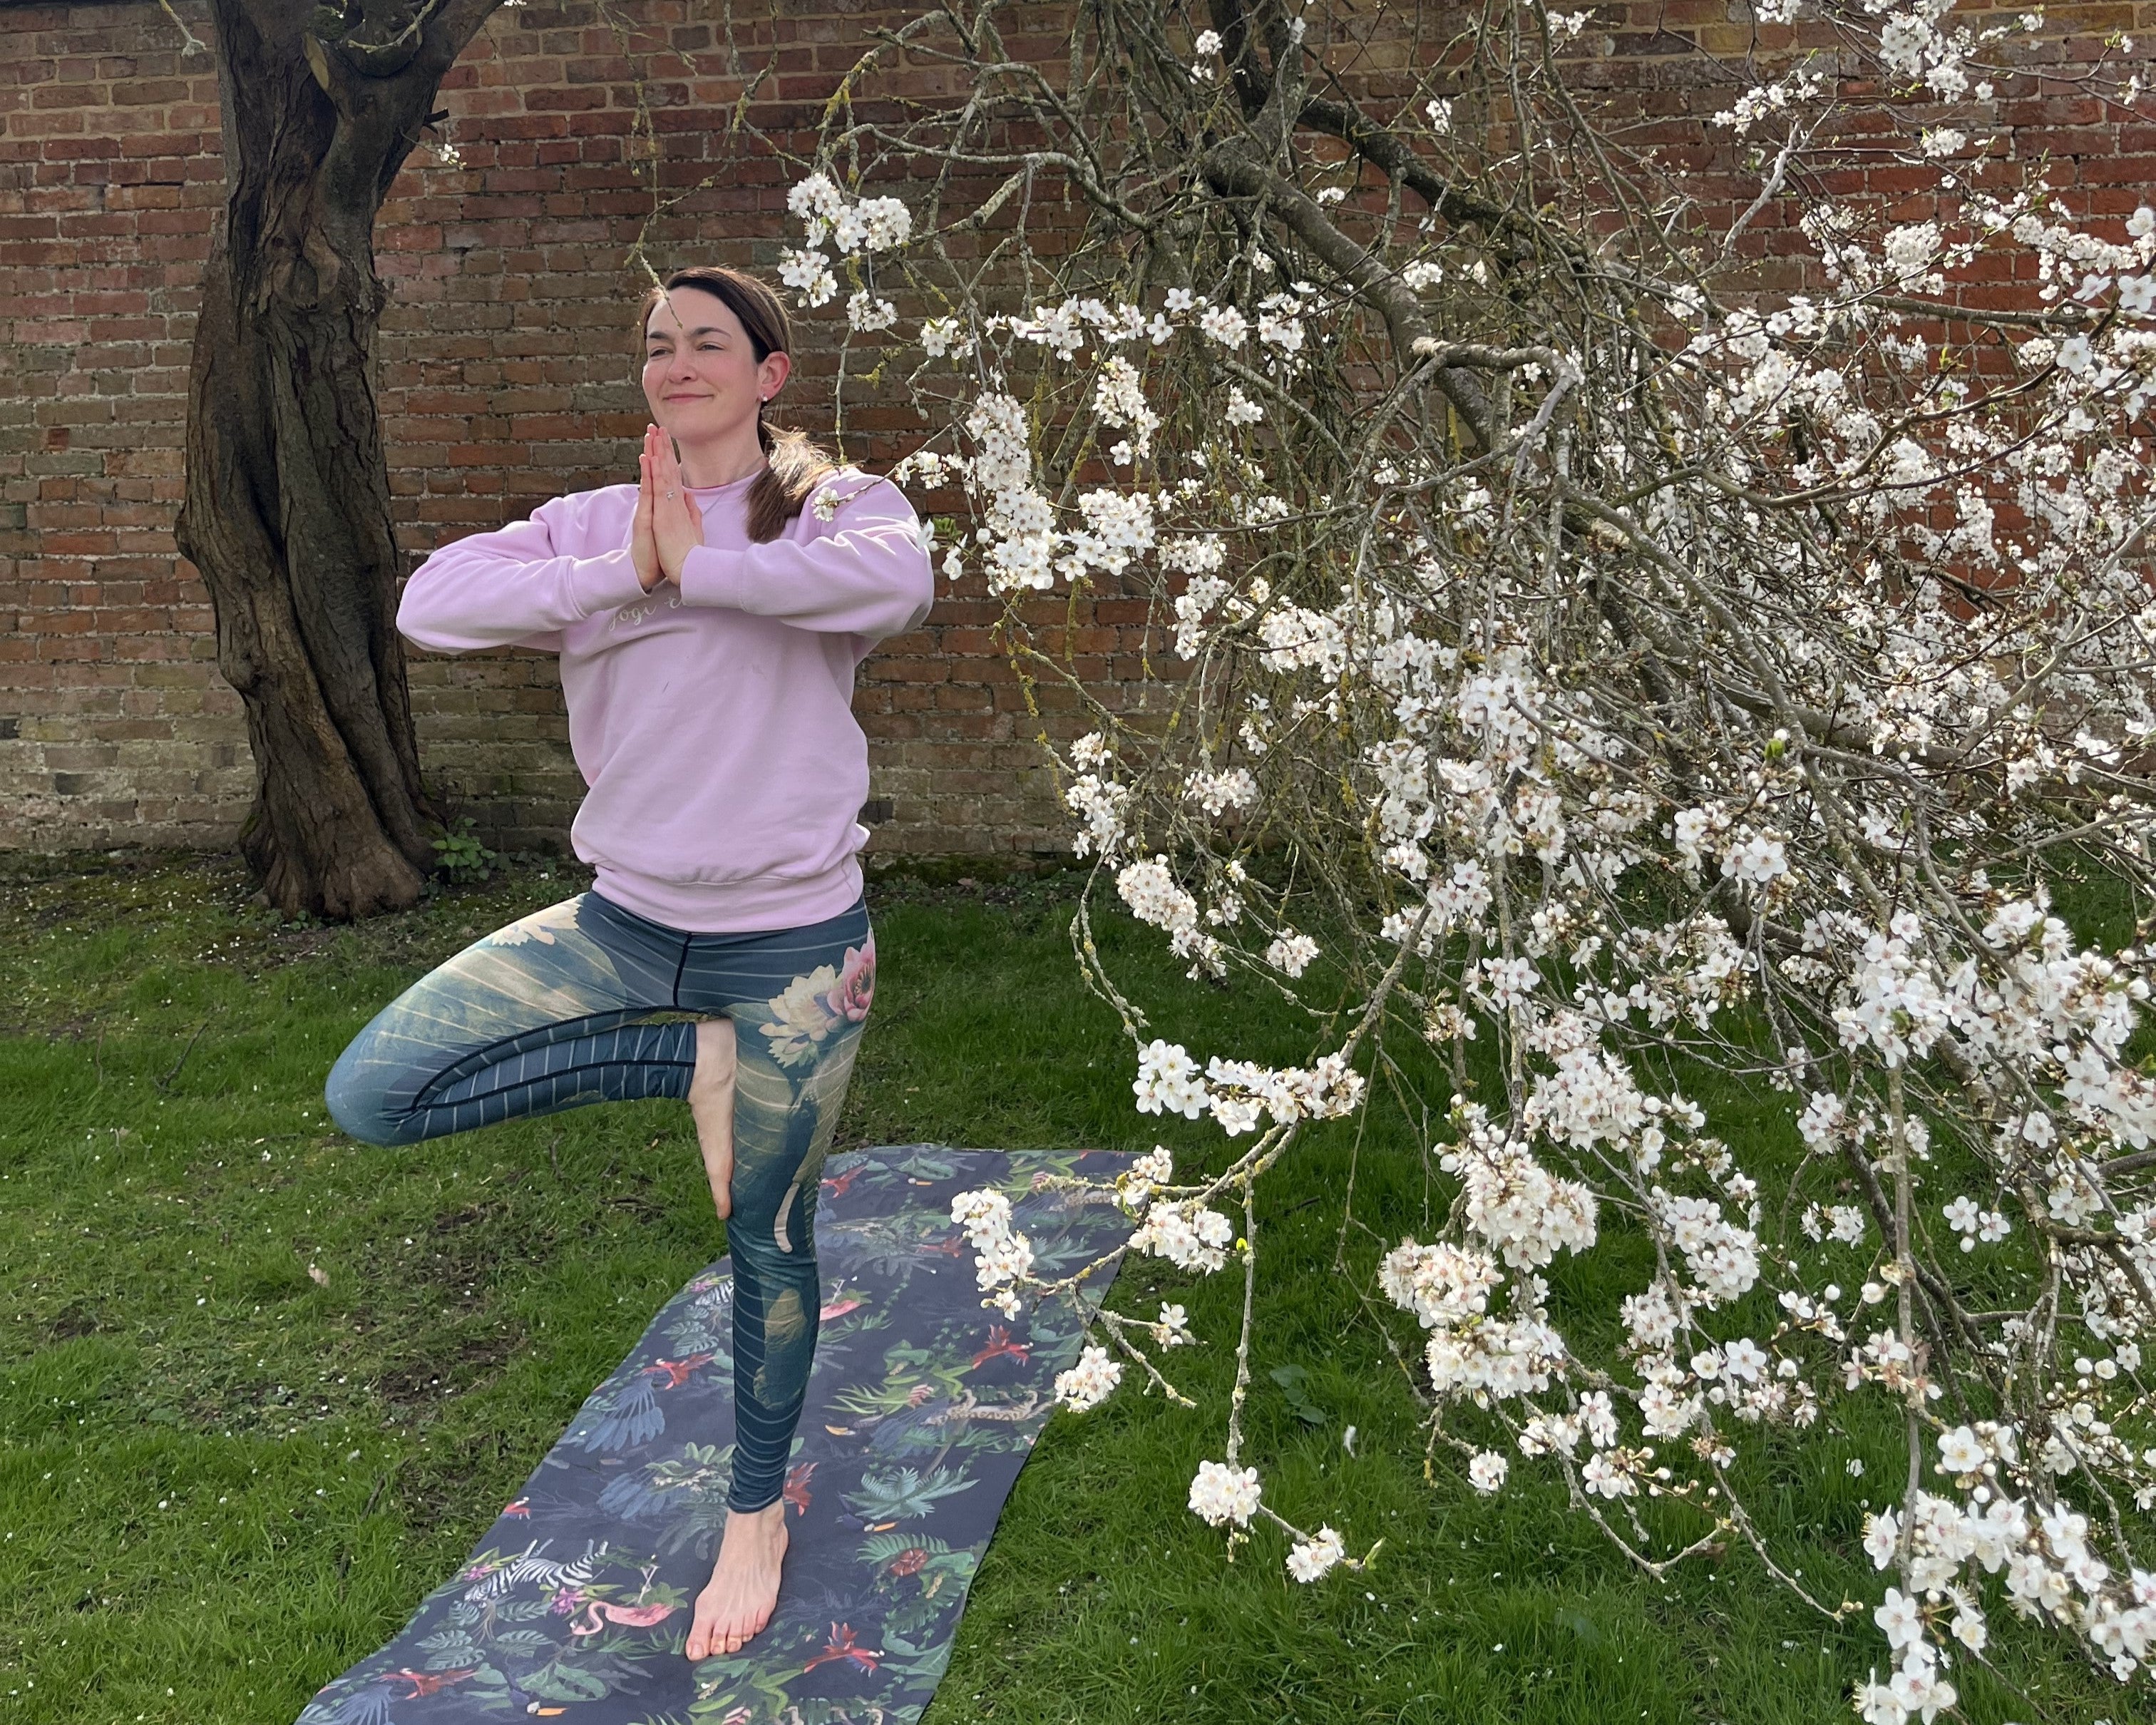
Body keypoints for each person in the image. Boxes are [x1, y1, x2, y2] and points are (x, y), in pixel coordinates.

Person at [324, 265, 933, 1661]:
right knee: (378, 1090)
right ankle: (698, 1055)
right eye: (658, 343)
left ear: (772, 372)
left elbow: (896, 583)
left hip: (791, 944)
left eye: (709, 340)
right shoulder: (589, 522)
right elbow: (432, 603)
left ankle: (752, 1514)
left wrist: (697, 567)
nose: (677, 361)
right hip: (625, 926)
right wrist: (624, 569)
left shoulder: (829, 498)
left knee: (766, 1245)